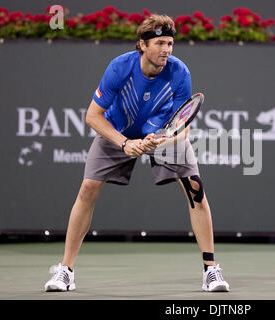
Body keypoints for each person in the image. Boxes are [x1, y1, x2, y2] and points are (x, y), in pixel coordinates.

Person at [44, 14, 229, 293]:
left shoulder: (180, 73)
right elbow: (93, 116)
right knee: (87, 190)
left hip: (160, 134)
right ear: (142, 45)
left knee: (195, 190)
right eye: (159, 43)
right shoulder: (120, 67)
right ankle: (65, 271)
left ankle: (211, 270)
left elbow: (183, 128)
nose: (166, 49)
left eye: (170, 43)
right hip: (118, 131)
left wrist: (159, 142)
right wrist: (124, 144)